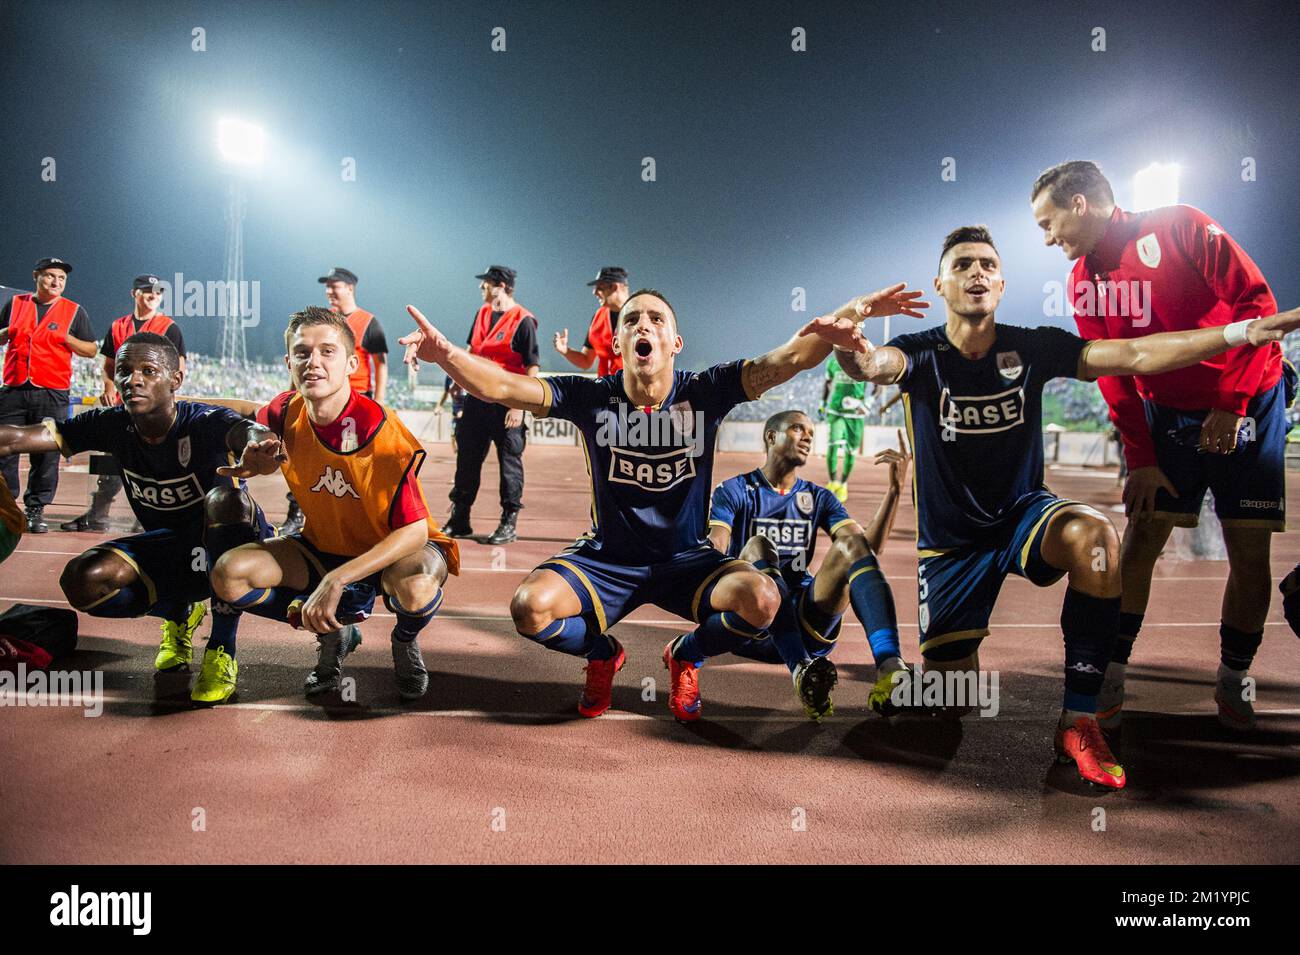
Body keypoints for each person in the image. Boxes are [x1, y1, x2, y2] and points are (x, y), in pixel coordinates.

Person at [831, 224, 1299, 789]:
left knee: (1097, 537)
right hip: (952, 544)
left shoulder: (1031, 345)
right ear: (940, 284)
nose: (976, 272)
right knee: (953, 698)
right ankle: (903, 677)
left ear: (1001, 283)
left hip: (1025, 515)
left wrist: (1243, 331)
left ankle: (1079, 718)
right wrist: (851, 337)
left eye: (986, 264)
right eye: (961, 266)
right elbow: (869, 366)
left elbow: (1137, 353)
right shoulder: (918, 352)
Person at [400, 282, 928, 721]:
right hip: (607, 559)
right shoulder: (591, 395)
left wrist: (855, 312)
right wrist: (445, 353)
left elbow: (788, 356)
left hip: (686, 560)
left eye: (655, 319)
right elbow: (502, 386)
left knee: (763, 600)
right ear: (620, 341)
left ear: (675, 341)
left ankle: (686, 655)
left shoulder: (709, 390)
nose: (642, 326)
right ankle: (603, 654)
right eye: (630, 321)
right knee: (528, 609)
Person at [1031, 160, 1294, 731]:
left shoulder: (1182, 225)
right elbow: (1113, 376)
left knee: (1249, 552)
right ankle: (1111, 676)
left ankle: (1232, 683)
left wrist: (1232, 401)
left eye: (1049, 224)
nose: (1048, 239)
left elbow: (1257, 305)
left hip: (1250, 400)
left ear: (1080, 204)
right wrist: (1142, 460)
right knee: (1142, 537)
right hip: (1165, 414)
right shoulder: (1083, 282)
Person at [0, 332, 275, 703]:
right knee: (83, 581)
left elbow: (246, 429)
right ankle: (178, 614)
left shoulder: (204, 422)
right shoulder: (111, 423)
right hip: (169, 545)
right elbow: (19, 437)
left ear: (175, 380)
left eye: (149, 370)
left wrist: (259, 445)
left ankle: (221, 649)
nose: (134, 379)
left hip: (232, 547)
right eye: (126, 371)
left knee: (225, 499)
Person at [209, 306, 460, 702]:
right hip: (322, 547)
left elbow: (413, 530)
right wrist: (174, 401)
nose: (314, 362)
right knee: (229, 575)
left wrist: (337, 579)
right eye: (303, 352)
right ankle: (334, 631)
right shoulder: (285, 411)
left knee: (415, 591)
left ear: (351, 363)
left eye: (327, 351)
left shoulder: (377, 429)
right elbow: (237, 411)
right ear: (288, 361)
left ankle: (404, 640)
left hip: (397, 551)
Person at [699, 413, 911, 720]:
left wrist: (894, 491)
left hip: (805, 620)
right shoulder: (734, 490)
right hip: (752, 624)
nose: (808, 436)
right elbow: (717, 545)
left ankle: (890, 667)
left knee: (851, 545)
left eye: (811, 431)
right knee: (759, 544)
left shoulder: (819, 497)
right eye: (798, 428)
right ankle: (800, 668)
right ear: (771, 436)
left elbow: (867, 550)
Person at [62, 274, 186, 533]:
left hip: (154, 412)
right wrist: (108, 386)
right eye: (147, 291)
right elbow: (108, 366)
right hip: (124, 408)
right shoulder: (118, 326)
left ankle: (149, 518)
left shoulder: (169, 327)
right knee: (114, 464)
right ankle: (97, 513)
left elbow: (179, 368)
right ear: (134, 294)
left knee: (155, 464)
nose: (153, 296)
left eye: (158, 293)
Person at [443, 265, 540, 545]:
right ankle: (460, 517)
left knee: (509, 462)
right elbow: (472, 352)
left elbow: (532, 367)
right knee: (467, 459)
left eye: (485, 283)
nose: (481, 288)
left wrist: (520, 406)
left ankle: (508, 521)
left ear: (500, 285)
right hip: (477, 400)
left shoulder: (524, 320)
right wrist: (458, 380)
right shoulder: (482, 314)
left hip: (507, 401)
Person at [0, 257, 98, 532]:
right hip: (14, 389)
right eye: (50, 276)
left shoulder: (74, 310)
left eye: (61, 278)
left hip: (52, 391)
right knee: (3, 450)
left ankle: (35, 509)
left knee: (46, 454)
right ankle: (6, 507)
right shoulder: (16, 304)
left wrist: (68, 339)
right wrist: (6, 332)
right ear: (36, 276)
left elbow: (91, 350)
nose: (56, 282)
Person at [553, 266, 629, 376]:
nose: (594, 292)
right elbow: (586, 361)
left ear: (614, 287)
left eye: (600, 287)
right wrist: (565, 351)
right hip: (605, 389)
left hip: (631, 390)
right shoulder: (599, 316)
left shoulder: (641, 315)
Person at [820, 350, 868, 501]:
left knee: (850, 452)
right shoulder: (833, 362)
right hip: (836, 410)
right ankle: (833, 481)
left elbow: (879, 386)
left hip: (855, 415)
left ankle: (843, 484)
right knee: (832, 445)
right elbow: (827, 383)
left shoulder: (864, 360)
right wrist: (823, 402)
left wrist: (868, 403)